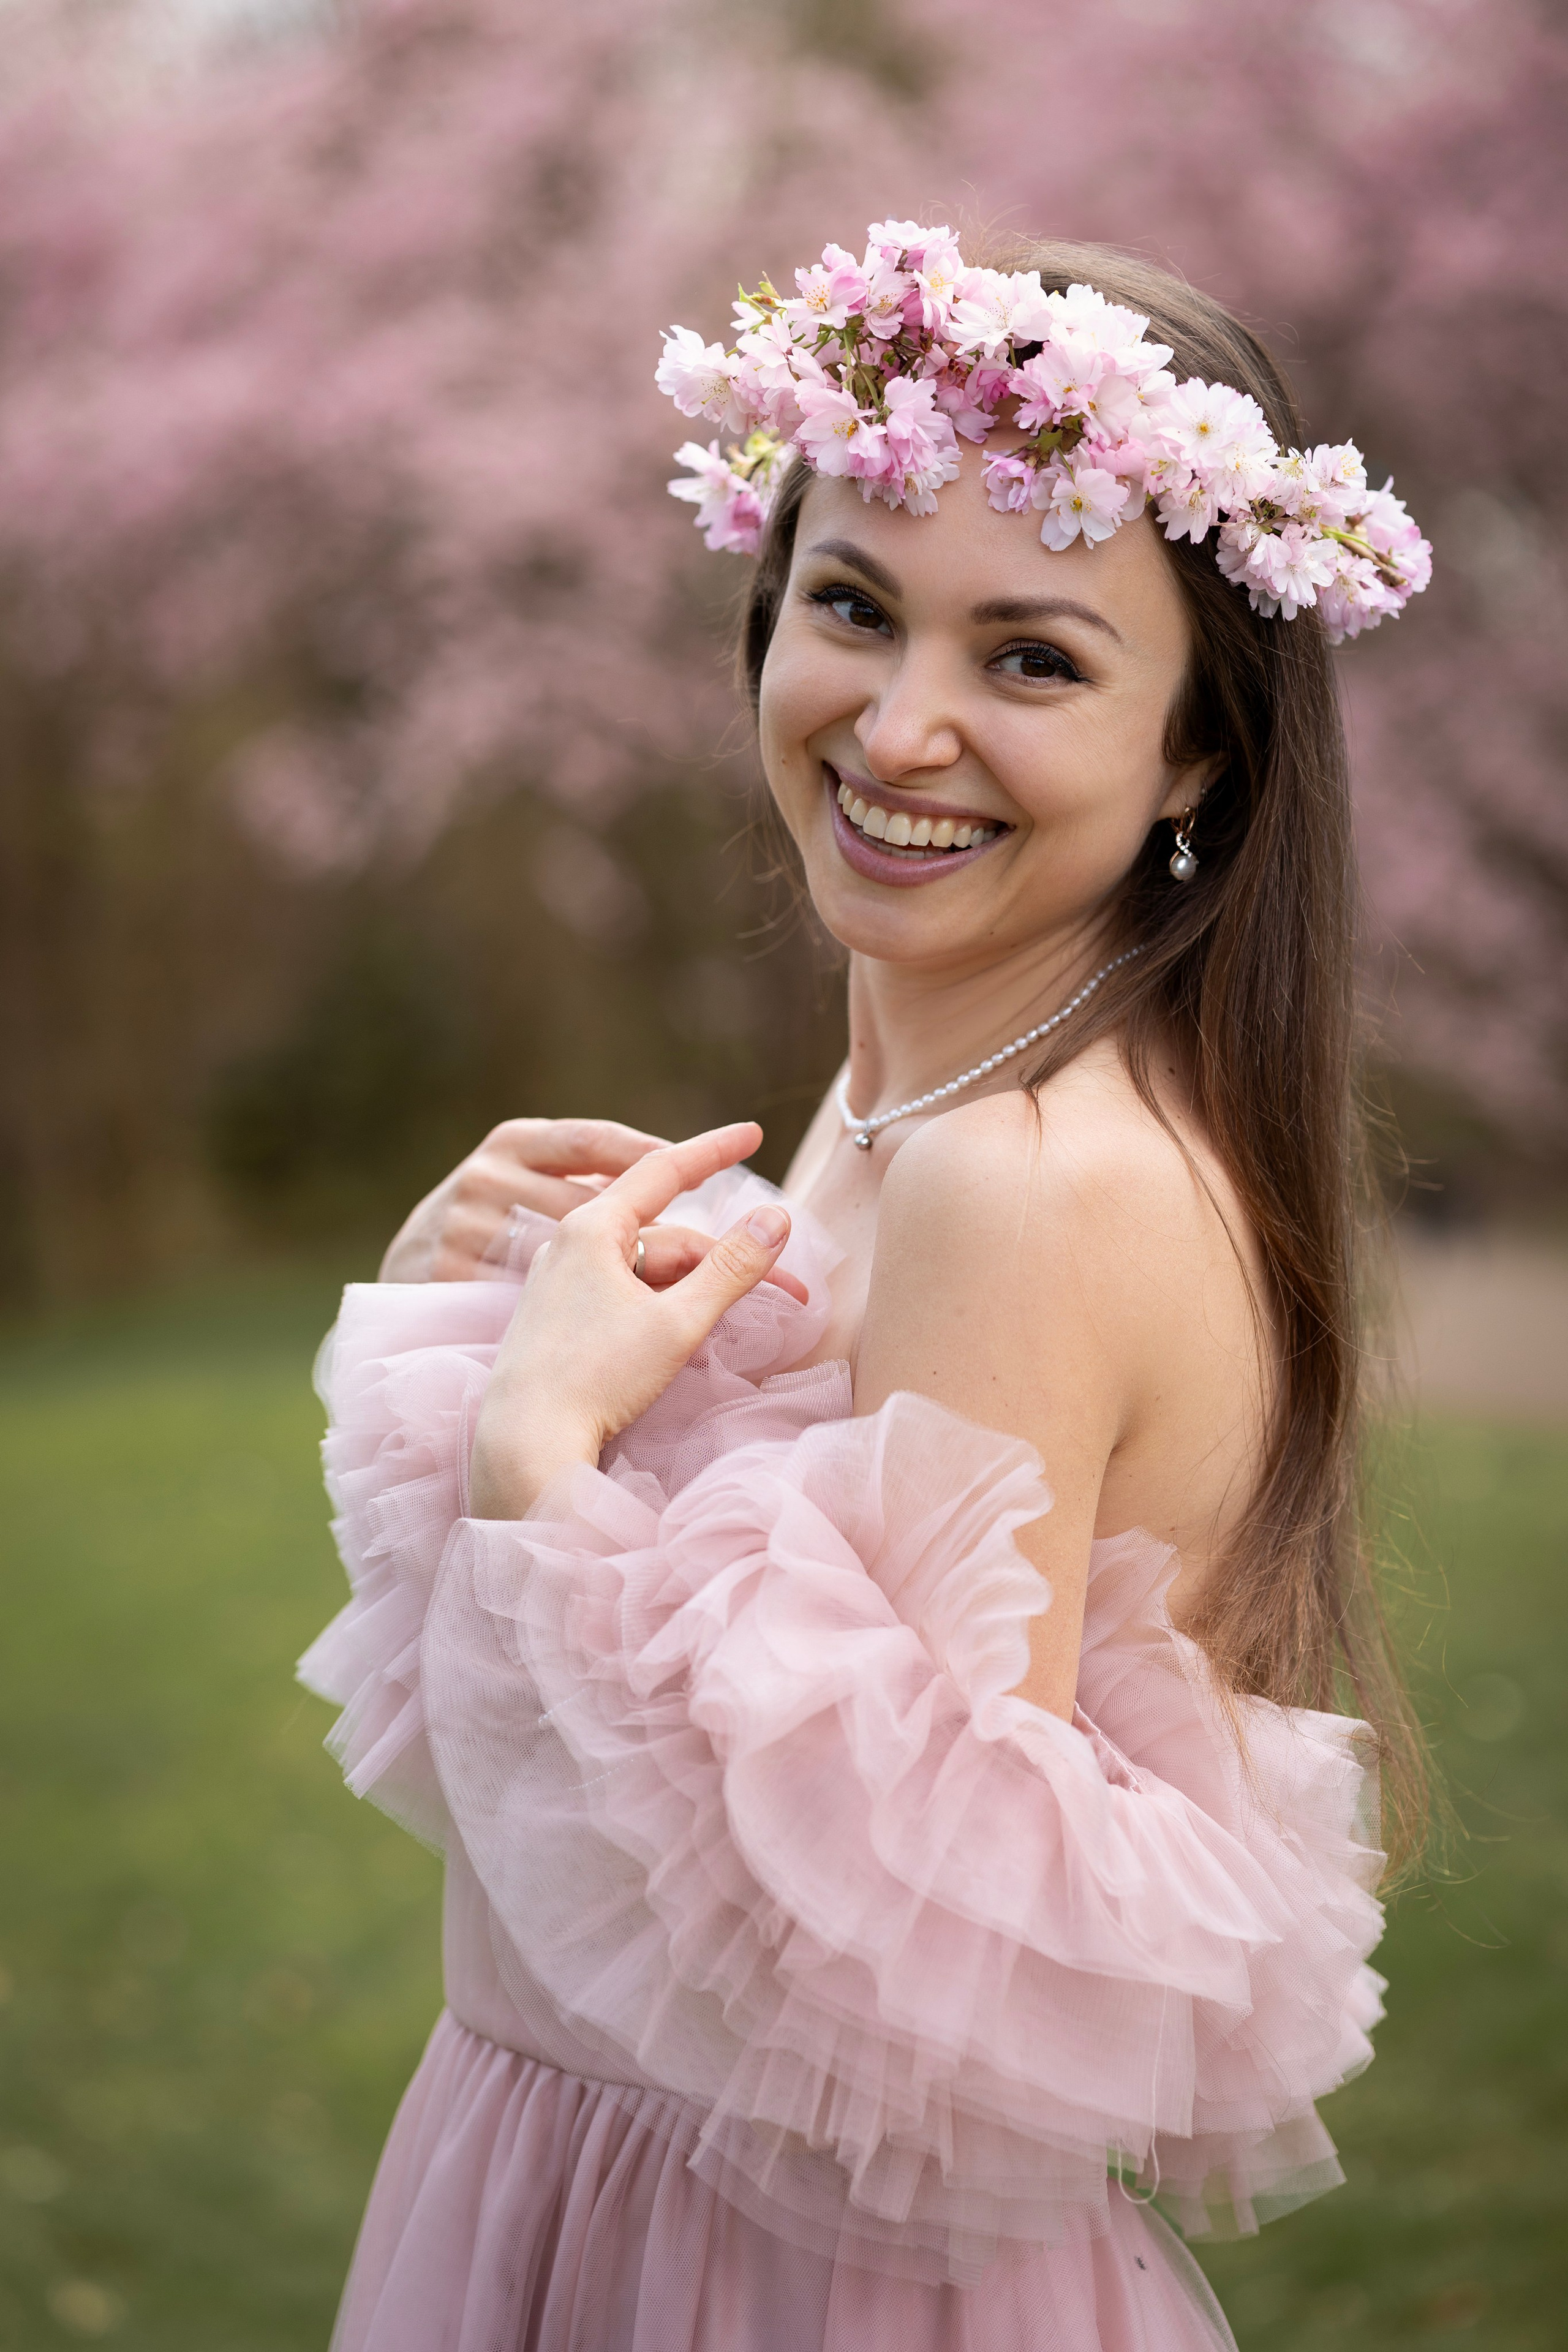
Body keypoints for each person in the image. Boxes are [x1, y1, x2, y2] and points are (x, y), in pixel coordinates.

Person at [302, 225, 1431, 2350]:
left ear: (1198, 754)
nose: (899, 727)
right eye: (851, 608)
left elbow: (900, 2003)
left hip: (773, 2275)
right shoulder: (903, 1086)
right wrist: (483, 1323)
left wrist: (549, 1455)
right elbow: (598, 1853)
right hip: (588, 2175)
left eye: (1033, 658)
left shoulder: (1030, 1185)